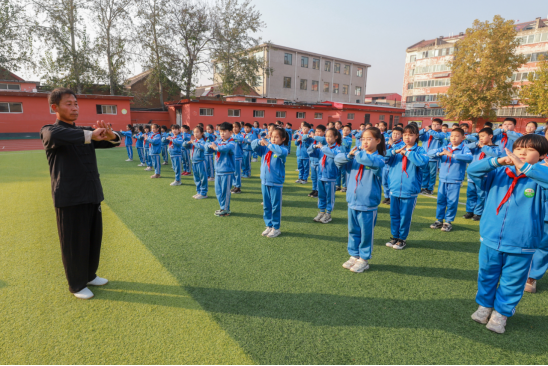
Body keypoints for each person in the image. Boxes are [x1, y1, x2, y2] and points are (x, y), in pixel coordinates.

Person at [40, 88, 121, 300]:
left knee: (93, 238)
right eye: (68, 104)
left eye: (76, 103)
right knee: (74, 242)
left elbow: (112, 141)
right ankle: (76, 284)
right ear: (54, 108)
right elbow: (56, 134)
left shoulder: (84, 132)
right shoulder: (50, 131)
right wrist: (90, 135)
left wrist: (112, 135)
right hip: (69, 197)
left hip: (91, 194)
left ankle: (89, 275)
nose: (74, 107)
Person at [467, 135, 548, 334]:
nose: (522, 152)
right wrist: (498, 161)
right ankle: (485, 306)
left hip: (522, 243)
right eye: (519, 147)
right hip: (491, 238)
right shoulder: (500, 172)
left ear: (543, 156)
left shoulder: (539, 178)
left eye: (529, 149)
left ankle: (501, 313)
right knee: (486, 275)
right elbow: (473, 171)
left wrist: (527, 168)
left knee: (513, 281)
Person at [335, 127, 386, 273]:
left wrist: (356, 153)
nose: (365, 142)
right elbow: (338, 161)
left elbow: (367, 160)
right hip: (352, 200)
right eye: (363, 139)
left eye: (369, 139)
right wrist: (350, 156)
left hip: (368, 202)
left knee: (366, 233)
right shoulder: (356, 156)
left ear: (377, 141)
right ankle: (354, 255)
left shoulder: (379, 158)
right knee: (353, 230)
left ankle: (364, 259)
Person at [384, 124, 429, 250]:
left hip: (409, 190)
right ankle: (394, 236)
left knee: (405, 216)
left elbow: (423, 162)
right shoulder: (396, 148)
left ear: (416, 136)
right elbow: (383, 156)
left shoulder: (420, 150)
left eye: (410, 134)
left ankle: (402, 238)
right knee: (394, 214)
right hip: (394, 188)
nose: (407, 137)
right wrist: (394, 151)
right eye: (405, 135)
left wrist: (407, 153)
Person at [428, 128, 473, 232]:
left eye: (457, 136)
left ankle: (448, 222)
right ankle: (439, 220)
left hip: (455, 179)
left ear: (463, 138)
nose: (453, 138)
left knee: (452, 202)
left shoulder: (464, 149)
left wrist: (452, 155)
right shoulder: (445, 148)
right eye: (452, 135)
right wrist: (439, 154)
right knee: (440, 200)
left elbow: (469, 158)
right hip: (443, 179)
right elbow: (430, 153)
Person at [252, 127, 289, 238]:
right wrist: (259, 141)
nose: (273, 139)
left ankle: (276, 228)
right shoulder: (265, 149)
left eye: (276, 137)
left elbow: (278, 151)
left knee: (275, 206)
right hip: (265, 181)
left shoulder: (283, 150)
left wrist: (268, 144)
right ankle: (269, 225)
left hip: (276, 182)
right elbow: (253, 146)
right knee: (266, 206)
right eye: (271, 137)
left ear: (283, 139)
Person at [463, 128, 502, 221]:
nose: (481, 138)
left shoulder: (495, 148)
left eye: (483, 136)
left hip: (484, 176)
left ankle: (478, 212)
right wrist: (476, 144)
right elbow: (464, 147)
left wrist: (483, 147)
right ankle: (470, 210)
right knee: (470, 193)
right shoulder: (476, 148)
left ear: (491, 136)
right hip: (472, 176)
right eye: (479, 136)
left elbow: (495, 155)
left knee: (481, 194)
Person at [308, 128, 342, 224]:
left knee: (329, 196)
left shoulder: (337, 148)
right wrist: (313, 147)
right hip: (321, 176)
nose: (327, 138)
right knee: (321, 195)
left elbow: (334, 155)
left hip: (330, 177)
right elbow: (309, 152)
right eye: (326, 136)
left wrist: (323, 148)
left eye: (330, 136)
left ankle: (328, 214)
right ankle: (321, 212)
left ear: (336, 137)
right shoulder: (323, 148)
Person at [209, 122, 236, 216]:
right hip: (218, 170)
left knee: (225, 191)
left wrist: (216, 147)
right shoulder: (218, 140)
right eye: (221, 131)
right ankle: (222, 207)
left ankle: (226, 209)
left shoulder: (232, 142)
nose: (222, 133)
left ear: (230, 132)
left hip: (227, 170)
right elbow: (209, 144)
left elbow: (225, 148)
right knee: (218, 191)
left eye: (224, 131)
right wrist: (210, 146)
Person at [419, 119, 445, 195]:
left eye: (437, 124)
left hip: (434, 158)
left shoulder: (442, 134)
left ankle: (430, 189)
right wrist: (424, 130)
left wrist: (429, 130)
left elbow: (438, 136)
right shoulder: (427, 134)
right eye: (433, 124)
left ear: (440, 126)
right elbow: (418, 134)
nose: (435, 126)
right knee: (424, 173)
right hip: (425, 157)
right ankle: (424, 187)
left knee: (432, 174)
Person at [382, 127, 404, 205]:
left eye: (398, 134)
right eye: (394, 133)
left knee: (391, 183)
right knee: (384, 182)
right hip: (385, 165)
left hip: (394, 166)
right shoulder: (387, 141)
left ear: (401, 135)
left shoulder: (402, 144)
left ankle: (392, 198)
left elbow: (399, 150)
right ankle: (386, 197)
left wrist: (392, 144)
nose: (395, 135)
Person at [187, 126, 209, 199]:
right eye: (194, 132)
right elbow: (184, 145)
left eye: (197, 132)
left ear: (202, 133)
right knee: (196, 178)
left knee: (203, 178)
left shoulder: (202, 142)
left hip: (201, 162)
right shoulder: (194, 141)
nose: (195, 134)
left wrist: (194, 143)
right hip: (194, 162)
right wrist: (187, 143)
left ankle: (203, 193)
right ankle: (198, 191)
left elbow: (202, 147)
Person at [309, 125, 327, 198]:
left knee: (319, 177)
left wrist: (313, 136)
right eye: (316, 131)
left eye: (319, 131)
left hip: (320, 162)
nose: (317, 133)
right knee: (313, 177)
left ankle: (318, 190)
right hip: (313, 162)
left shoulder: (324, 139)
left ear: (323, 132)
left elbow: (322, 139)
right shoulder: (314, 140)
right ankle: (314, 189)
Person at [338, 124, 354, 193]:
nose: (345, 131)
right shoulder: (340, 138)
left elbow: (347, 145)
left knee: (344, 172)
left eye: (347, 130)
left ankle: (345, 186)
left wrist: (341, 139)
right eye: (344, 130)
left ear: (350, 131)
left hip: (346, 157)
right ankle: (337, 185)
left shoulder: (349, 139)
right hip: (339, 156)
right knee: (339, 172)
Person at [231, 122, 244, 194]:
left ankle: (238, 187)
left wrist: (233, 137)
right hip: (232, 157)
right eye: (233, 127)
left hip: (238, 157)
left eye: (236, 127)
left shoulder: (240, 136)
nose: (234, 128)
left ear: (239, 128)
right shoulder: (231, 136)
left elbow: (241, 140)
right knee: (232, 172)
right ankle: (235, 186)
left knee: (237, 173)